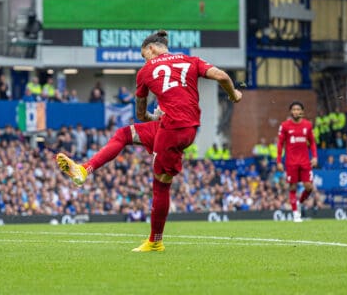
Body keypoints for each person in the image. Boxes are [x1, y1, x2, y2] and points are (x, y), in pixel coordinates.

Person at [57, 30, 242, 252]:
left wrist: (153, 115)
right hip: (184, 128)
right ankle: (84, 169)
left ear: (152, 48)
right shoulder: (190, 60)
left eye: (145, 55)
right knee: (124, 134)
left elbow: (141, 113)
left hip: (172, 129)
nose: (145, 60)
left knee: (161, 184)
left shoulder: (146, 71)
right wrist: (233, 95)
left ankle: (155, 242)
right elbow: (222, 76)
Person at [276, 101, 318, 223]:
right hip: (291, 162)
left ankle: (299, 203)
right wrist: (279, 160)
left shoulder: (308, 125)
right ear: (291, 111)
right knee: (293, 187)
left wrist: (315, 157)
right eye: (293, 109)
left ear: (302, 111)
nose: (295, 111)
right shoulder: (285, 126)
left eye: (298, 109)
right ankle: (295, 213)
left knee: (309, 187)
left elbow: (313, 142)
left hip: (305, 162)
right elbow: (280, 144)